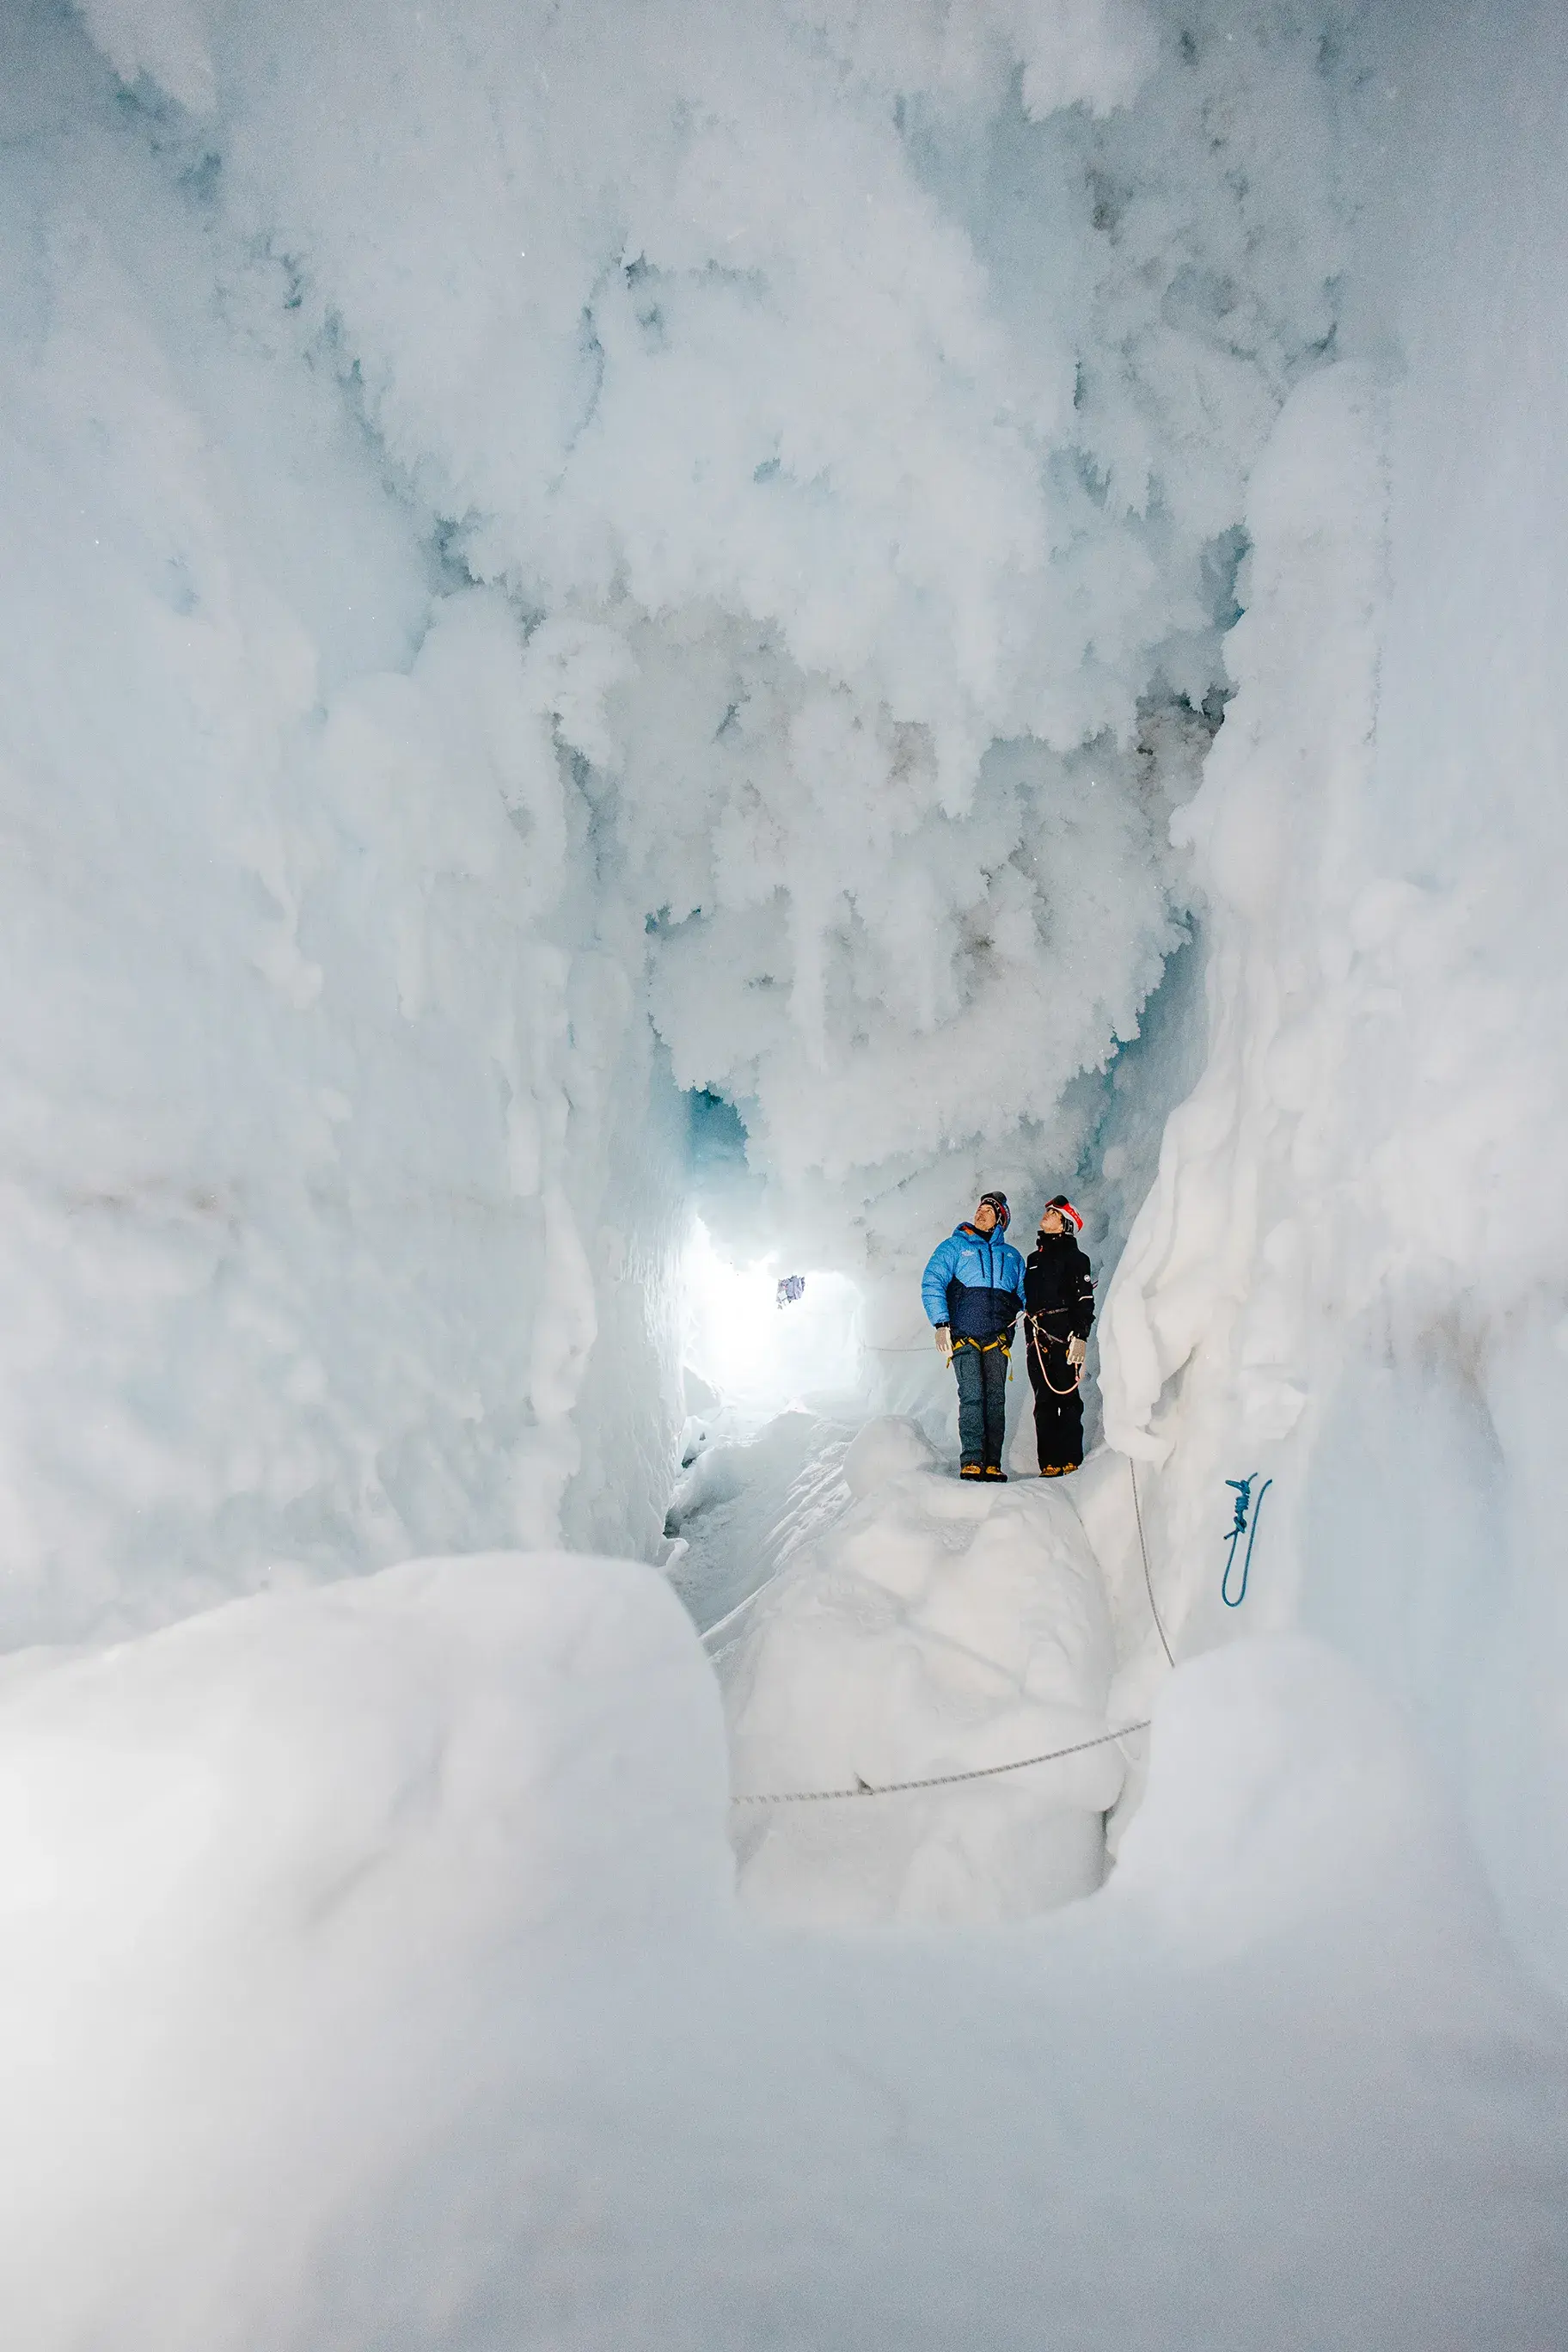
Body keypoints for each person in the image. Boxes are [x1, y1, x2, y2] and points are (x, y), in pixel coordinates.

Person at [921, 1191, 1027, 1479]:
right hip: (964, 1336)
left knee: (995, 1398)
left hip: (998, 1340)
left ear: (1000, 1221)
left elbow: (1026, 1296)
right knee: (972, 1396)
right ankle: (972, 1460)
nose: (981, 1213)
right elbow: (933, 1281)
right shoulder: (954, 1247)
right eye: (979, 1209)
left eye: (989, 1211)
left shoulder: (1012, 1257)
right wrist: (941, 1323)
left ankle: (992, 1462)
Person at [1023, 1196, 1095, 1475]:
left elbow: (1084, 1300)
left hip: (1065, 1336)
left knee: (1067, 1398)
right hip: (1037, 1338)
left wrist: (1081, 1335)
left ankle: (1071, 1459)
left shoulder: (1078, 1260)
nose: (1047, 1214)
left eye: (1053, 1213)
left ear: (1065, 1224)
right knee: (1043, 1400)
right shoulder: (1033, 1260)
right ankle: (1049, 1463)